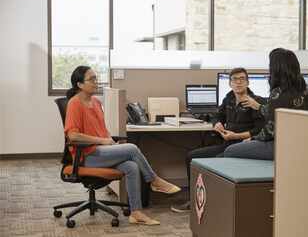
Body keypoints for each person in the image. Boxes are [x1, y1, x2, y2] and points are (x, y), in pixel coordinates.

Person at [64, 66, 181, 225]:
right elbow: (73, 135)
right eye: (91, 79)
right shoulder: (74, 104)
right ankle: (154, 180)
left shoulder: (96, 103)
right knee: (132, 148)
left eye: (96, 78)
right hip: (87, 156)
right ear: (79, 84)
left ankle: (136, 212)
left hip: (101, 152)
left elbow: (102, 131)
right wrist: (103, 141)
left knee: (131, 166)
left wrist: (110, 142)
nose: (96, 82)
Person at [171, 67, 265, 213]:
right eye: (235, 79)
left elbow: (259, 131)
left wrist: (236, 136)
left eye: (242, 79)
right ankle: (193, 199)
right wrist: (217, 124)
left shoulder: (256, 102)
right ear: (230, 83)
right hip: (226, 144)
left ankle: (214, 203)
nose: (238, 82)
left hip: (243, 147)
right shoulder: (229, 99)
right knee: (191, 156)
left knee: (214, 162)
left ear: (248, 82)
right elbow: (217, 116)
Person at [222, 48, 308, 160]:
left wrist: (253, 139)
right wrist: (259, 107)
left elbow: (270, 130)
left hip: (280, 145)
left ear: (276, 69)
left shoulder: (278, 93)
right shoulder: (305, 91)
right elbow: (279, 114)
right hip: (299, 143)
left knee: (230, 151)